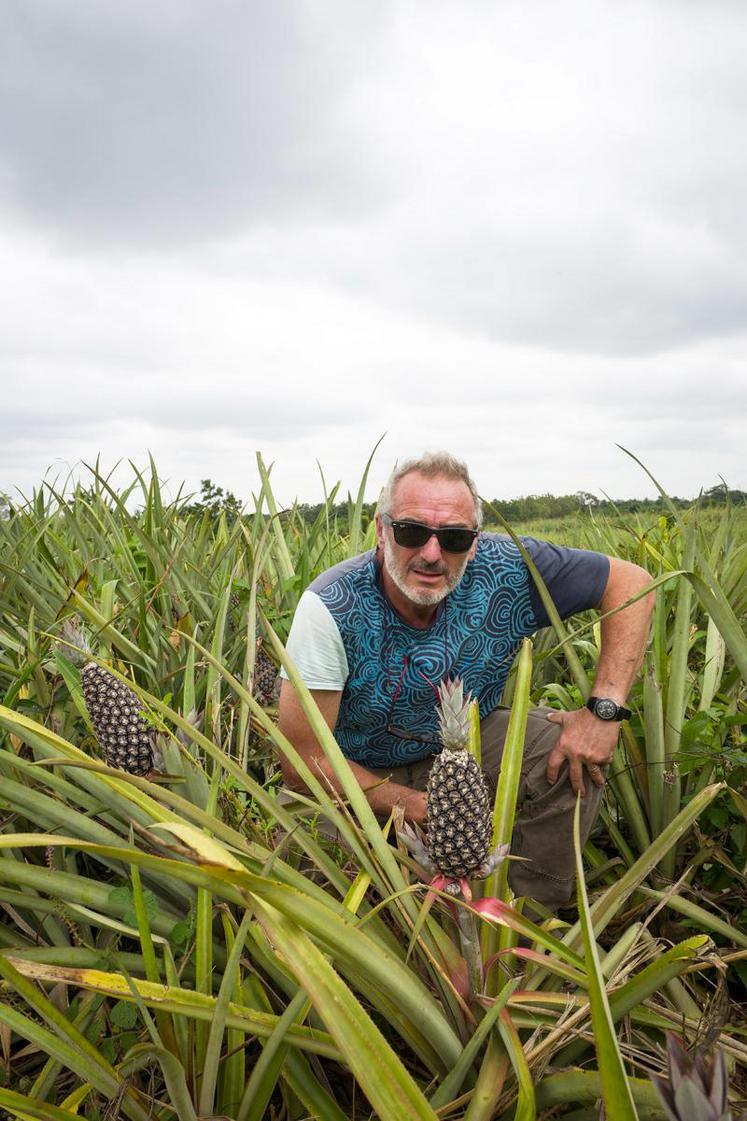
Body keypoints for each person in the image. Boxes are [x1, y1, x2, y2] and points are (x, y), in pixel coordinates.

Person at [277, 452, 654, 908]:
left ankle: (525, 922)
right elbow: (302, 763)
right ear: (381, 531)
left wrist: (604, 710)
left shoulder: (509, 568)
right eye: (412, 532)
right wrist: (412, 804)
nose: (432, 554)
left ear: (474, 542)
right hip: (356, 771)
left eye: (454, 537)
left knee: (568, 759)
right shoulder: (331, 607)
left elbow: (632, 584)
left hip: (460, 748)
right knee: (313, 889)